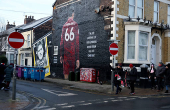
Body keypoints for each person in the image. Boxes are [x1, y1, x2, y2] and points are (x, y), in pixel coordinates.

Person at [60, 12, 80, 79]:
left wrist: (61, 55)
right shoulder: (75, 24)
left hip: (65, 53)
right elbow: (77, 42)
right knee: (72, 72)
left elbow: (61, 42)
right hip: (73, 53)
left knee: (66, 72)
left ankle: (65, 81)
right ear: (73, 15)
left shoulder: (64, 26)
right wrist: (77, 59)